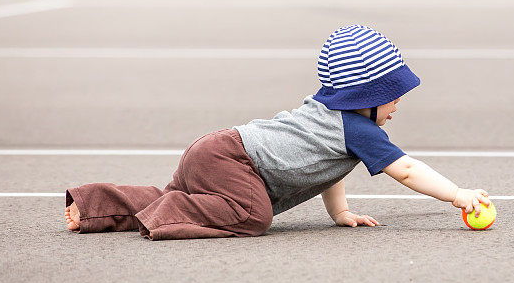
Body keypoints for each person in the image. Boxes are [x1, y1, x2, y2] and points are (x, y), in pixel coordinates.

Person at [64, 25, 491, 240]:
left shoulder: (334, 118)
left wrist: (339, 213)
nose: (397, 105)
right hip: (233, 160)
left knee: (185, 196)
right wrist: (458, 196)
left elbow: (331, 169)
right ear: (365, 95)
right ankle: (166, 216)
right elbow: (408, 170)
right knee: (253, 217)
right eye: (392, 96)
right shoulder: (358, 129)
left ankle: (94, 205)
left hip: (217, 150)